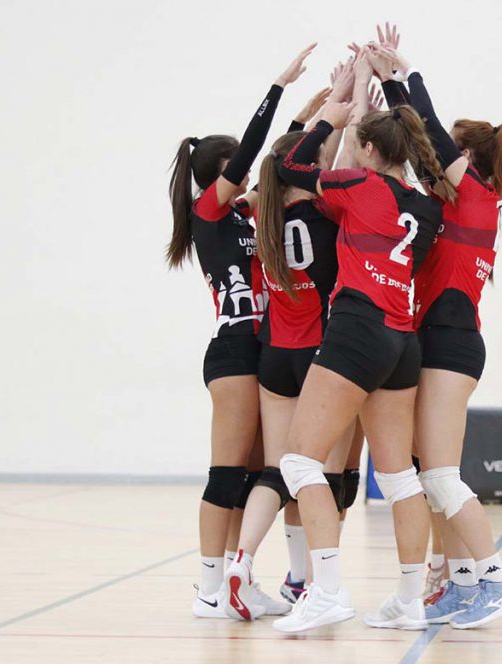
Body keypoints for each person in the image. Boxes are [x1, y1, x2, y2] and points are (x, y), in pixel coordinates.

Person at [270, 51, 455, 634]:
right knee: (399, 477)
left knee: (300, 461)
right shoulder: (426, 206)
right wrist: (387, 87)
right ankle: (409, 599)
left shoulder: (357, 185)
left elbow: (290, 166)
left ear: (370, 151)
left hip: (356, 330)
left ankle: (326, 591)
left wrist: (335, 108)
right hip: (403, 341)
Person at [368, 31, 502, 628]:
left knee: (439, 475)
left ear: (469, 163)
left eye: (449, 156)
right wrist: (384, 96)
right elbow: (419, 148)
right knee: (431, 476)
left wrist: (404, 75)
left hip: (452, 345)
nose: (436, 164)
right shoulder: (452, 205)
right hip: (433, 340)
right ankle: (460, 583)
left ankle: (498, 581)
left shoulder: (478, 197)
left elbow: (430, 132)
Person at [166, 43, 316, 618]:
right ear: (220, 175)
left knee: (259, 473)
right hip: (232, 350)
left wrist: (311, 117)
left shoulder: (245, 212)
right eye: (238, 171)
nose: (248, 177)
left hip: (265, 347)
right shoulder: (208, 212)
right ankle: (207, 589)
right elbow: (255, 152)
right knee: (225, 474)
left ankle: (236, 577)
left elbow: (275, 165)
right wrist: (278, 87)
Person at [223, 62, 359, 620]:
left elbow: (290, 163)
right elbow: (339, 166)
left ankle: (241, 561)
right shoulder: (328, 212)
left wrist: (325, 112)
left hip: (274, 354)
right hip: (322, 356)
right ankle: (307, 580)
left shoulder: (262, 212)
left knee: (277, 471)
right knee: (326, 476)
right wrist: (355, 97)